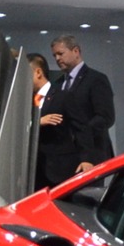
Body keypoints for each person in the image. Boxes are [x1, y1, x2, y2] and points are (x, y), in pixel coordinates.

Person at [38, 34, 114, 184]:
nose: (57, 59)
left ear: (76, 51)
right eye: (54, 55)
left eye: (60, 53)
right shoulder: (58, 84)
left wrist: (79, 132)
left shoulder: (96, 79)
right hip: (62, 158)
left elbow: (106, 117)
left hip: (92, 153)